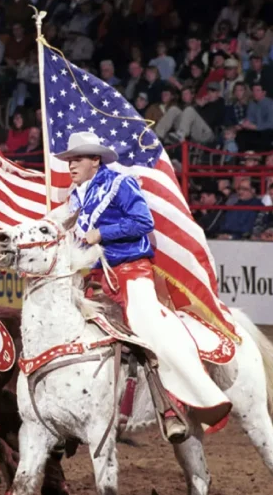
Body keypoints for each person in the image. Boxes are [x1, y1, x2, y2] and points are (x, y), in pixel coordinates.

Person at [55, 131, 232, 443]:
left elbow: (143, 222)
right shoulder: (76, 195)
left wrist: (104, 232)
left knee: (147, 327)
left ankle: (172, 405)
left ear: (95, 160)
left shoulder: (120, 184)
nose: (71, 165)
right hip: (97, 276)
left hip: (132, 271)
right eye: (70, 159)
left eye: (77, 158)